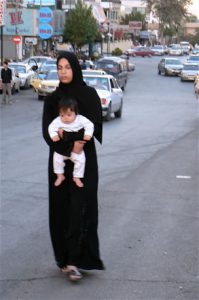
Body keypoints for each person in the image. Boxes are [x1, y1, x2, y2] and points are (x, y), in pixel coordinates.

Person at [42, 51, 104, 281]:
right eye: (60, 67)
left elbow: (95, 124)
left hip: (85, 163)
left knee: (82, 209)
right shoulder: (52, 100)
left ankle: (78, 259)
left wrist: (77, 143)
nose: (63, 71)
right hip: (59, 163)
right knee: (61, 210)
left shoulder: (88, 95)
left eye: (67, 67)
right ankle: (65, 260)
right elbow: (48, 134)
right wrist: (69, 147)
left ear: (75, 68)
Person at [48, 96, 94, 188]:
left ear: (75, 113)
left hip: (76, 148)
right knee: (56, 158)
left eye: (69, 115)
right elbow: (51, 127)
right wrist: (54, 135)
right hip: (63, 148)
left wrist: (88, 134)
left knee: (81, 160)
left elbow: (90, 125)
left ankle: (77, 177)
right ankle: (60, 175)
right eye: (62, 115)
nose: (65, 118)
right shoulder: (57, 121)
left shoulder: (80, 119)